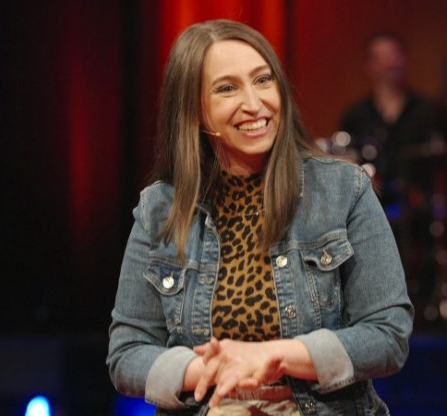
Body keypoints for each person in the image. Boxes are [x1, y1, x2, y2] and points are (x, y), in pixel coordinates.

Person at [107, 20, 413, 416]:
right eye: (227, 88)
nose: (254, 103)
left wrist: (272, 356)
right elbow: (127, 354)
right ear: (195, 111)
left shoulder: (343, 190)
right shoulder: (160, 209)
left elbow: (388, 335)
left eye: (263, 80)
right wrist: (214, 370)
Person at [339, 33, 447, 328]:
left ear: (406, 60)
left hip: (420, 209)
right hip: (371, 204)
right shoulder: (357, 114)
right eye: (381, 57)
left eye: (395, 55)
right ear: (369, 66)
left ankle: (422, 302)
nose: (390, 63)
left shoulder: (429, 111)